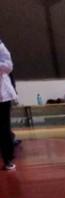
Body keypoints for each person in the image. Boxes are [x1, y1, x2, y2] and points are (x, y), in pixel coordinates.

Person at [0, 40, 15, 171]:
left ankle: (7, 159)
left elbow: (9, 66)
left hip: (2, 96)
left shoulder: (0, 46)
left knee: (4, 128)